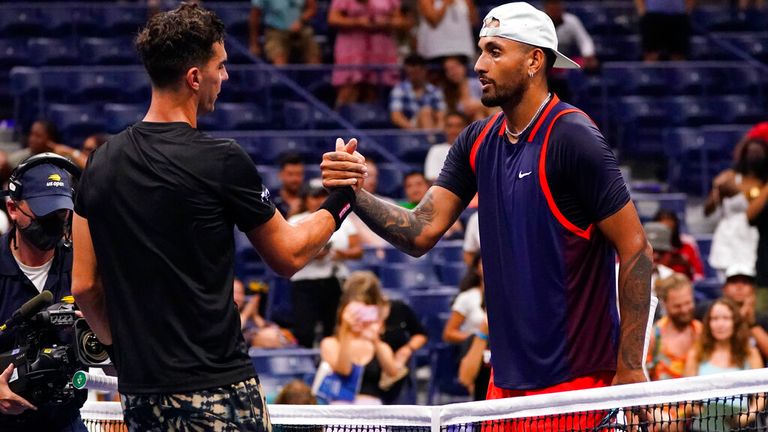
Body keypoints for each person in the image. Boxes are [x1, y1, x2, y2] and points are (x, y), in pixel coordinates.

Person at [323, 2, 652, 402]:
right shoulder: (475, 141)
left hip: (577, 383)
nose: (479, 64)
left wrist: (631, 366)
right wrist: (353, 193)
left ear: (534, 60)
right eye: (481, 50)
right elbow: (421, 231)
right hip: (503, 385)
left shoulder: (573, 137)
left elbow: (635, 247)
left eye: (494, 51)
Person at [71, 5, 360, 431]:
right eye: (220, 67)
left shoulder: (99, 163)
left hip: (140, 394)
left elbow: (84, 285)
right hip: (218, 390)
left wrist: (119, 350)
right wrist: (342, 200)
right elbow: (288, 255)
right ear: (193, 77)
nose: (224, 78)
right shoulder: (222, 159)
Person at [0, 154, 86, 431]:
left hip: (65, 420)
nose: (54, 222)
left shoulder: (83, 269)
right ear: (13, 208)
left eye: (61, 214)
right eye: (44, 214)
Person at [288, 179, 362, 348]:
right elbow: (290, 249)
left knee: (333, 329)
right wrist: (314, 253)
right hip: (305, 282)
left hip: (333, 279)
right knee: (304, 331)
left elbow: (358, 251)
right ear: (306, 199)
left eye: (322, 196)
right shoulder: (295, 220)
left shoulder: (342, 218)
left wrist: (338, 253)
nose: (317, 200)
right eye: (313, 197)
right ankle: (305, 370)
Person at [318, 274, 408, 404]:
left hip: (373, 410)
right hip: (340, 409)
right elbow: (344, 369)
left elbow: (392, 372)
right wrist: (346, 329)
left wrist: (375, 339)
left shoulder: (380, 346)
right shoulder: (330, 344)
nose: (358, 318)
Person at [328, 0, 407, 107]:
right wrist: (357, 22)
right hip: (352, 47)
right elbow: (332, 19)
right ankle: (339, 120)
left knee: (373, 89)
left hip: (380, 48)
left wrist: (386, 22)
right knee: (350, 88)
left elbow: (400, 21)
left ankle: (370, 119)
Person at [707, 138, 766, 281]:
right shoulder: (729, 177)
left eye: (758, 152)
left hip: (754, 235)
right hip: (727, 236)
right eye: (751, 152)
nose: (754, 156)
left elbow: (751, 214)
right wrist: (717, 189)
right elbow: (707, 210)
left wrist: (740, 192)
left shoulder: (765, 184)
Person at [695, 264, 768, 360]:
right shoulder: (707, 311)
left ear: (753, 289)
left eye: (745, 282)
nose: (739, 286)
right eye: (734, 282)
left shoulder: (763, 319)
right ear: (724, 289)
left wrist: (751, 323)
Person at [646, 273, 702, 381]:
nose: (684, 310)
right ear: (665, 304)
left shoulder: (703, 332)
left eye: (688, 303)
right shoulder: (653, 337)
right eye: (677, 306)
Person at [248, 0, 321, 65]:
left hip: (301, 28)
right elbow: (255, 17)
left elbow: (312, 8)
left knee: (314, 59)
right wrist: (254, 43)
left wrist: (301, 21)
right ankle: (281, 78)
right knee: (279, 61)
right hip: (275, 31)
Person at [389, 54, 447, 130]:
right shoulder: (399, 90)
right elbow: (396, 116)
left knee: (427, 112)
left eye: (417, 72)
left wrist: (438, 131)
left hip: (432, 126)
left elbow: (441, 115)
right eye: (412, 73)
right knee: (425, 112)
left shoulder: (435, 91)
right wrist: (413, 130)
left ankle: (432, 139)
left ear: (424, 71)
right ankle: (430, 140)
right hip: (409, 128)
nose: (415, 76)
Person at [443, 255, 485, 344]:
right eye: (483, 262)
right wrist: (481, 338)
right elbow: (449, 333)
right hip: (476, 351)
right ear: (476, 268)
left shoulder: (507, 295)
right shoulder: (466, 297)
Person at [653, 210, 704, 282]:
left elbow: (699, 274)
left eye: (670, 229)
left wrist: (687, 263)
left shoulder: (687, 244)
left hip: (682, 285)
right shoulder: (648, 247)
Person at [441, 56, 494, 121]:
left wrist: (479, 105)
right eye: (448, 70)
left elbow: (494, 105)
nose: (453, 72)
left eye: (455, 67)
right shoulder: (446, 91)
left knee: (478, 113)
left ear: (464, 67)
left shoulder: (478, 84)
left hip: (483, 118)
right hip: (461, 124)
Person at [424, 112, 469, 182]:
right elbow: (432, 179)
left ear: (466, 128)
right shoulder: (436, 150)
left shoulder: (473, 148)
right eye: (449, 126)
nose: (453, 130)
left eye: (458, 126)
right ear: (444, 128)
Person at [274, 152, 306, 218]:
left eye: (298, 174)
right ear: (280, 175)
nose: (294, 179)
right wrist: (291, 216)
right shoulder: (270, 199)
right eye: (290, 174)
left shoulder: (309, 198)